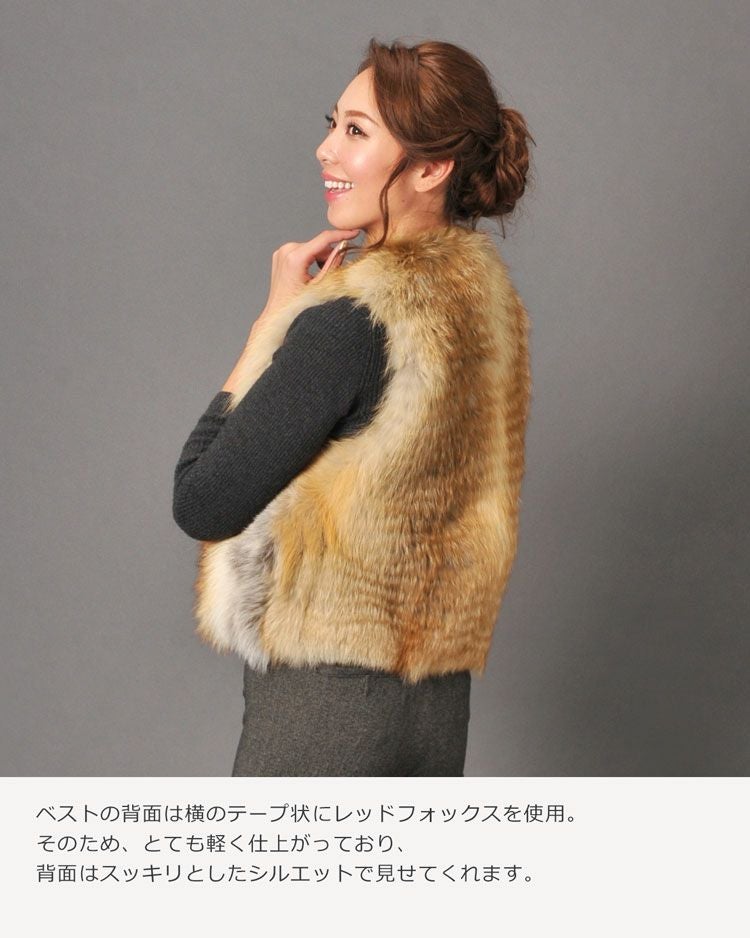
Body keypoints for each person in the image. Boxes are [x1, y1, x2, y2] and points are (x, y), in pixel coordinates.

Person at [172, 37, 535, 776]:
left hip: (327, 706)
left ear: (430, 169)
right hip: (436, 706)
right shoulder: (485, 310)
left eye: (357, 131)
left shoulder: (351, 324)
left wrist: (270, 322)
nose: (325, 149)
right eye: (333, 124)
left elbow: (203, 500)